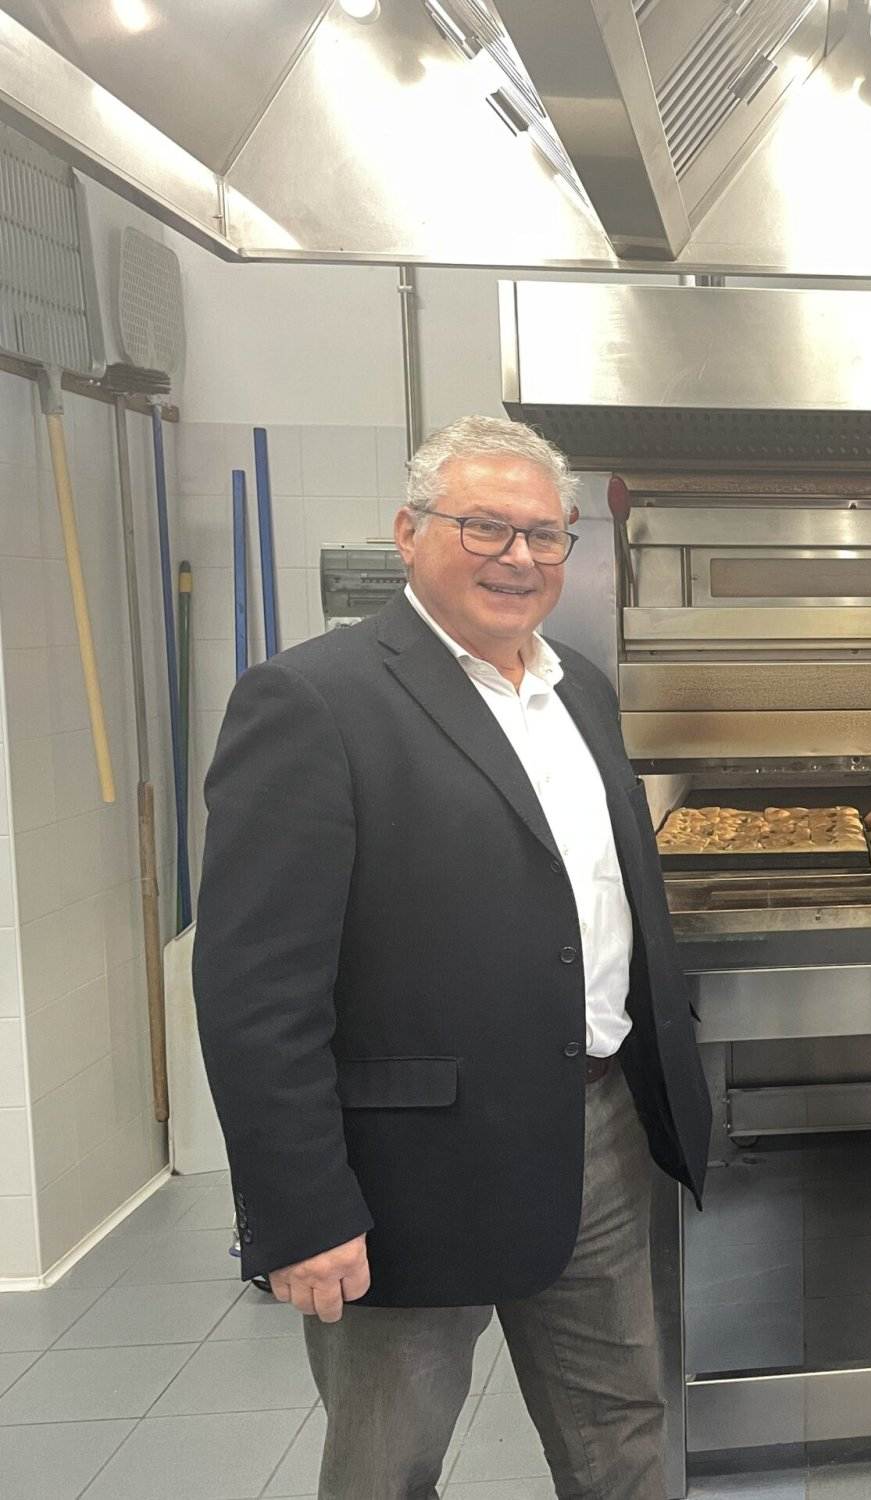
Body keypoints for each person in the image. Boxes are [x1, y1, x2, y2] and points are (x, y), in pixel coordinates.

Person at [194, 414, 711, 1499]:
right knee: (390, 1461)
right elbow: (257, 991)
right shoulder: (315, 700)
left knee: (623, 1437)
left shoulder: (580, 690)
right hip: (411, 1167)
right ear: (409, 532)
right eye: (485, 527)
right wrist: (304, 1210)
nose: (518, 557)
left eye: (544, 534)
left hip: (598, 1131)